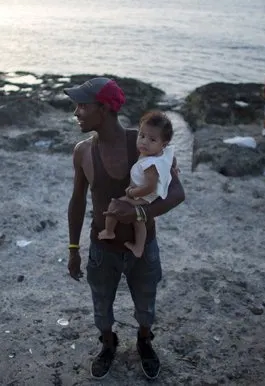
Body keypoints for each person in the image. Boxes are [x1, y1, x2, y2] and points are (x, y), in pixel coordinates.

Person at [65, 77, 185, 380]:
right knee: (101, 306)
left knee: (146, 305)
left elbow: (177, 194)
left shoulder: (145, 141)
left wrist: (138, 213)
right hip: (102, 246)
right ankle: (108, 344)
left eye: (82, 105)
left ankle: (144, 341)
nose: (76, 112)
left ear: (103, 109)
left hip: (143, 246)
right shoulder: (82, 151)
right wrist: (73, 249)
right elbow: (77, 201)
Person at [97, 110, 175, 258]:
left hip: (143, 195)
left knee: (114, 205)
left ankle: (109, 232)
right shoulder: (159, 154)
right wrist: (174, 166)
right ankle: (138, 248)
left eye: (152, 140)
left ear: (163, 144)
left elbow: (149, 186)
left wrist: (133, 193)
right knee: (139, 222)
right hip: (146, 195)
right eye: (142, 135)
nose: (144, 142)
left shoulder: (151, 164)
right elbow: (170, 157)